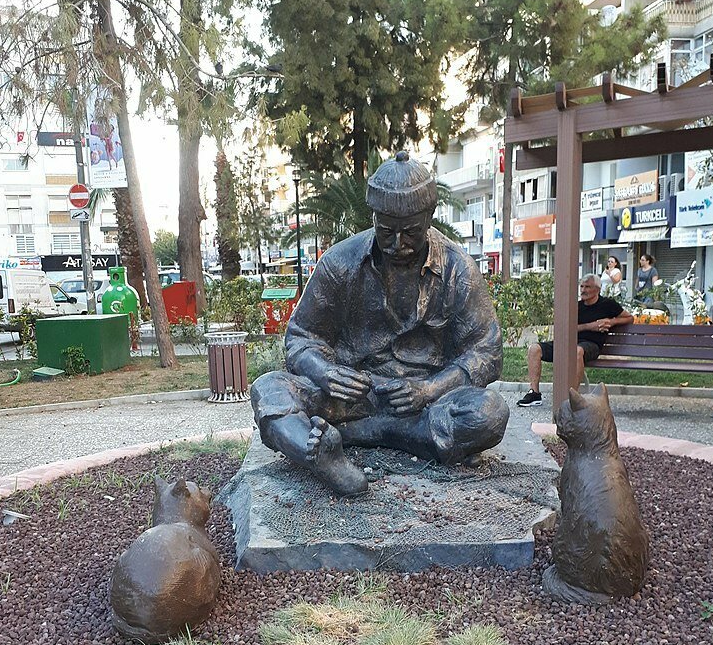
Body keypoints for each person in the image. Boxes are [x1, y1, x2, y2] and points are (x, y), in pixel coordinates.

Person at [251, 151, 510, 497]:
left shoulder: (457, 270)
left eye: (411, 233)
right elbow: (301, 337)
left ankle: (361, 434)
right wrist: (325, 372)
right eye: (387, 232)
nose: (398, 244)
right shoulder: (339, 263)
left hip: (424, 403)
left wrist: (429, 390)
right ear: (373, 217)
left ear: (430, 218)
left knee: (490, 413)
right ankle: (321, 458)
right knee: (268, 389)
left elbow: (486, 352)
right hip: (349, 396)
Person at [516, 274, 634, 406]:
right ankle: (534, 393)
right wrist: (590, 326)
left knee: (577, 351)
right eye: (581, 286)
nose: (583, 290)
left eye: (587, 287)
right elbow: (566, 328)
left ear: (597, 289)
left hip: (591, 345)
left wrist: (611, 321)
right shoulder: (576, 307)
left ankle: (573, 397)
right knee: (534, 349)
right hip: (569, 342)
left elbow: (629, 318)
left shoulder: (607, 304)